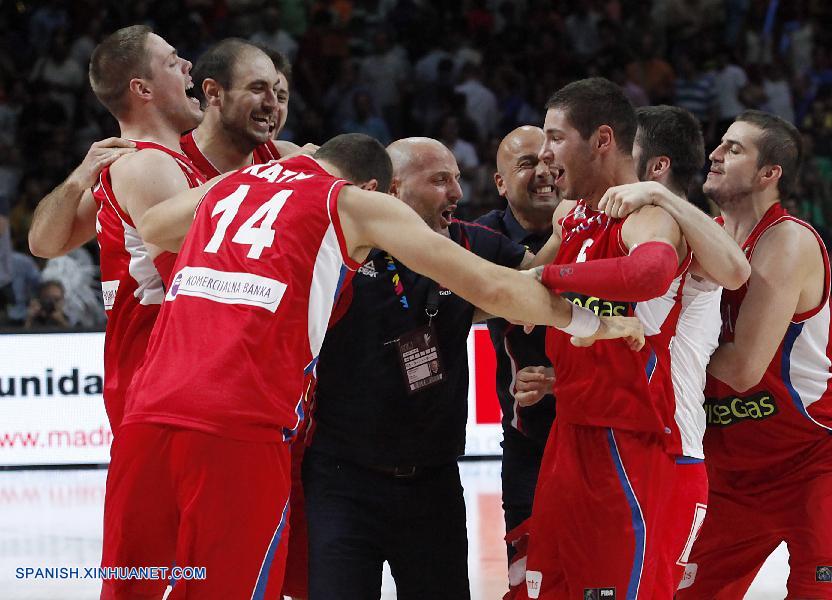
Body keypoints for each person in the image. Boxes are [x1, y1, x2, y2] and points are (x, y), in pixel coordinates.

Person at [101, 133, 643, 599]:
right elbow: (497, 289)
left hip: (146, 419)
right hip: (240, 426)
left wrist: (252, 177)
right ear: (377, 188)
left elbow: (153, 226)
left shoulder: (235, 186)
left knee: (132, 583)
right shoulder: (350, 203)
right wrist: (594, 322)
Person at [511, 78, 747, 600]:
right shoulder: (584, 216)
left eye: (629, 148)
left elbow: (731, 271)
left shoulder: (670, 223)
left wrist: (548, 281)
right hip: (586, 423)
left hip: (660, 439)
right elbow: (541, 292)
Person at [301, 136, 534, 600]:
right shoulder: (340, 244)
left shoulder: (470, 242)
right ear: (392, 189)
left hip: (433, 482)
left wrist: (564, 228)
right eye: (440, 180)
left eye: (457, 178)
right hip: (342, 481)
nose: (457, 192)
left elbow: (536, 279)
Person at [673, 111, 832, 599]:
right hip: (730, 473)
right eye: (720, 144)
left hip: (814, 461)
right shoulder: (702, 238)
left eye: (734, 148)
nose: (715, 154)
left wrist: (665, 353)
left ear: (770, 173)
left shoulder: (788, 240)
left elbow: (743, 369)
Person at [593, 105, 750, 591]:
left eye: (627, 150)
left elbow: (735, 270)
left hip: (669, 448)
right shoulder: (624, 222)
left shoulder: (687, 231)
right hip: (621, 437)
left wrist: (661, 195)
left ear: (657, 166)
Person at [27, 25, 205, 432]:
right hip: (162, 377)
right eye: (172, 61)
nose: (187, 66)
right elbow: (43, 243)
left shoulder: (146, 162)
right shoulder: (146, 165)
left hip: (146, 375)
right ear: (142, 89)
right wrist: (77, 179)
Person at [474, 125, 561, 563]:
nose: (544, 172)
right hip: (527, 438)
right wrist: (561, 237)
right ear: (501, 183)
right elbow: (514, 296)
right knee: (526, 574)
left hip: (601, 428)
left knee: (600, 578)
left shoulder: (599, 227)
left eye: (549, 161)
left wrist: (561, 379)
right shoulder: (479, 238)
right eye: (528, 164)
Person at [180, 39, 301, 179]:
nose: (273, 104)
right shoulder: (172, 166)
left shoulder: (288, 158)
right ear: (214, 92)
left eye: (275, 91)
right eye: (258, 88)